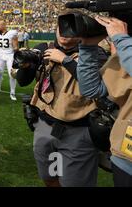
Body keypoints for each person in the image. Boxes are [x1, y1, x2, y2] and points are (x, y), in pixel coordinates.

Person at [15, 22, 107, 187]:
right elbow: (22, 81)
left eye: (71, 29)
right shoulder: (44, 48)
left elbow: (96, 88)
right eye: (61, 28)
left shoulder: (94, 53)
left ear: (82, 33)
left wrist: (65, 61)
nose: (65, 34)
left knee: (75, 184)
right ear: (55, 29)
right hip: (44, 127)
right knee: (49, 178)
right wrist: (27, 64)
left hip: (78, 131)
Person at [77, 15, 132, 187]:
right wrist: (87, 47)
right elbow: (92, 89)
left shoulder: (126, 47)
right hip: (126, 158)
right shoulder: (127, 52)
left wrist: (122, 39)